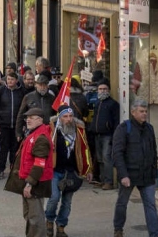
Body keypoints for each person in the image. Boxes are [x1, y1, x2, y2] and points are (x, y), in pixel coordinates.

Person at [112, 99, 158, 237]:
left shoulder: (149, 128)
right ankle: (118, 229)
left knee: (150, 204)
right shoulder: (123, 128)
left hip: (147, 175)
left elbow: (153, 151)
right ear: (133, 112)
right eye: (141, 111)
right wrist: (123, 175)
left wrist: (154, 173)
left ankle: (155, 233)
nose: (144, 113)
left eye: (145, 111)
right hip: (129, 174)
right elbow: (117, 153)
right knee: (122, 203)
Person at [45, 105, 92, 237]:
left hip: (72, 172)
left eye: (71, 116)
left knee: (67, 202)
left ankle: (61, 226)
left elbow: (85, 149)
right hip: (55, 170)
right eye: (65, 116)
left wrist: (88, 169)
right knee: (54, 198)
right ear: (59, 117)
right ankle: (49, 220)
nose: (69, 119)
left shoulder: (79, 130)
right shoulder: (52, 129)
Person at [13, 108, 54, 237]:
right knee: (30, 215)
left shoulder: (40, 137)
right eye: (27, 118)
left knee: (35, 218)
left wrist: (29, 184)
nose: (28, 120)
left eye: (32, 117)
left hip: (36, 183)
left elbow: (39, 164)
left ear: (40, 120)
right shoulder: (33, 134)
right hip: (30, 181)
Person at [0, 72, 26, 179]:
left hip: (17, 125)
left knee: (15, 148)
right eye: (8, 79)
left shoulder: (22, 92)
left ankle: (13, 169)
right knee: (3, 148)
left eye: (12, 79)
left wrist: (24, 124)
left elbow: (25, 109)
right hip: (4, 125)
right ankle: (1, 169)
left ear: (16, 80)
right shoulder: (0, 91)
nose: (10, 81)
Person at [88, 79, 119, 190]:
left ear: (109, 90)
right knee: (100, 159)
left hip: (107, 135)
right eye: (100, 89)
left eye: (105, 89)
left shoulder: (113, 104)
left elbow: (116, 121)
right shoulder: (97, 103)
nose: (102, 91)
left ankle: (109, 182)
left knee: (107, 158)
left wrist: (114, 136)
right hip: (97, 135)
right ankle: (102, 180)